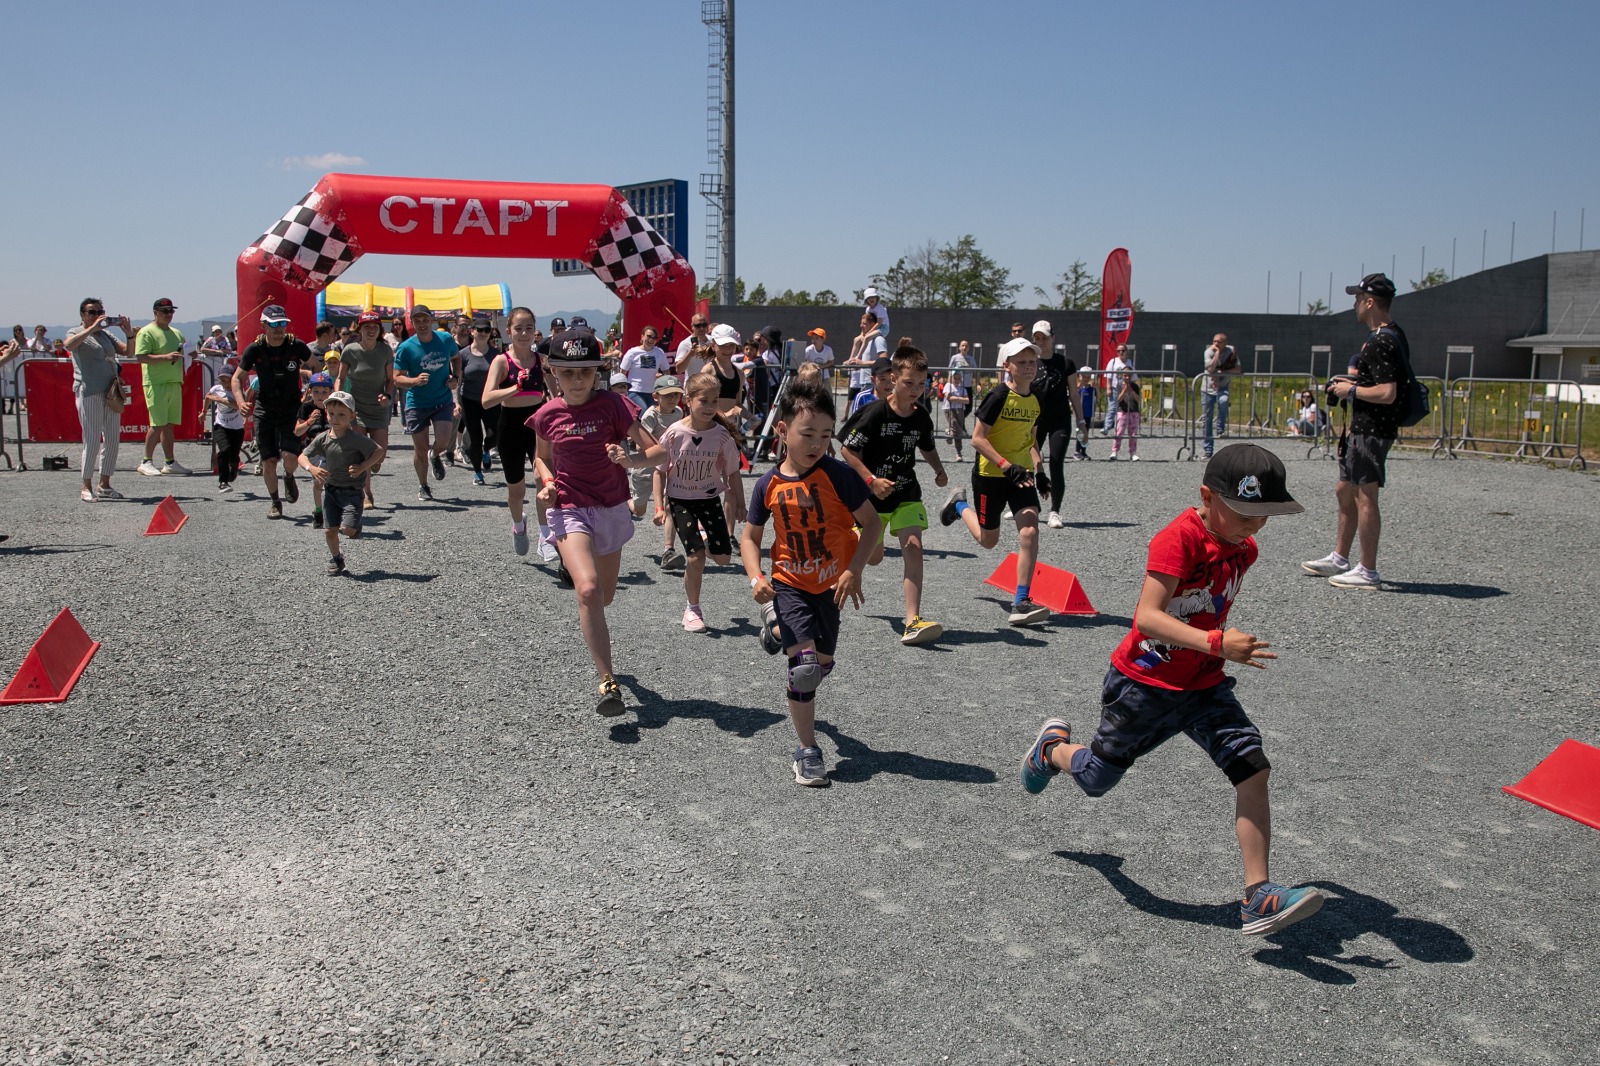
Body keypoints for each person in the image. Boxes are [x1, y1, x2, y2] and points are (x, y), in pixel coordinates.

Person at [1019, 443, 1324, 937]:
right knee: (1095, 779)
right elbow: (1148, 617)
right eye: (1244, 511)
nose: (1254, 525)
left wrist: (1213, 648)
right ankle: (1052, 749)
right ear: (1206, 496)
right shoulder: (1175, 540)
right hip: (1144, 684)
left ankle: (1258, 896)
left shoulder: (1244, 549)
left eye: (1264, 515)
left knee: (1253, 770)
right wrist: (1216, 641)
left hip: (1204, 685)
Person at [741, 378, 882, 786]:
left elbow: (872, 525)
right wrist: (756, 577)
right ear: (782, 431)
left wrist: (853, 569)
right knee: (803, 671)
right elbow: (749, 538)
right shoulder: (767, 484)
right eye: (808, 434)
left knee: (820, 666)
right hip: (789, 582)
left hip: (830, 587)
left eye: (825, 434)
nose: (817, 442)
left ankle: (776, 630)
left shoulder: (839, 475)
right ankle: (807, 750)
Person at [534, 325, 661, 716]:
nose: (576, 380)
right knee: (587, 590)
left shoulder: (614, 406)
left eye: (585, 372)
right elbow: (542, 458)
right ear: (553, 371)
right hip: (569, 506)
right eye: (568, 372)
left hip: (610, 508)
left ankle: (592, 607)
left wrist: (630, 460)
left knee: (604, 597)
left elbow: (657, 453)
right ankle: (608, 681)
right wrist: (548, 482)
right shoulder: (547, 414)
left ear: (598, 372)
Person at [840, 344, 950, 646]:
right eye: (908, 383)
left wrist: (939, 470)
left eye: (921, 384)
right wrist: (871, 479)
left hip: (906, 493)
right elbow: (847, 449)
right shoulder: (875, 413)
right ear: (893, 377)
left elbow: (926, 445)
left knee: (913, 546)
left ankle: (912, 620)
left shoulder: (922, 416)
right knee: (873, 558)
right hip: (872, 498)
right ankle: (853, 534)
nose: (915, 389)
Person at [1302, 273, 1406, 591]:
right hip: (1362, 428)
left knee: (1365, 496)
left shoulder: (1382, 340)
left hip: (1372, 429)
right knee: (1343, 490)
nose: (1355, 304)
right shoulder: (1386, 336)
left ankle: (1368, 570)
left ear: (1370, 301)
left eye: (1358, 298)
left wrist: (1350, 390)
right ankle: (1340, 557)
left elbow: (1387, 392)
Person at [939, 335, 1051, 627]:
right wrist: (1005, 465)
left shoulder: (1037, 397)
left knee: (1029, 533)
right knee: (989, 541)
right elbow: (977, 438)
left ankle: (1021, 601)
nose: (1029, 367)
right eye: (1022, 362)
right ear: (1007, 365)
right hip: (991, 476)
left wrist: (1039, 471)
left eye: (1032, 361)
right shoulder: (998, 396)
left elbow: (1031, 439)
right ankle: (960, 504)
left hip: (1021, 476)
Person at [622, 372, 744, 632]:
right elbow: (658, 467)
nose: (710, 407)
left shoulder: (721, 436)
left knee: (723, 559)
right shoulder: (674, 433)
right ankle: (692, 609)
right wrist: (657, 504)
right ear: (688, 401)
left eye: (714, 401)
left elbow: (733, 472)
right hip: (681, 501)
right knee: (695, 557)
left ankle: (710, 544)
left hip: (710, 500)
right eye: (704, 401)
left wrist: (741, 504)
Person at [481, 306, 555, 560]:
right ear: (508, 331)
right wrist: (515, 388)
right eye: (518, 328)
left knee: (542, 479)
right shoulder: (502, 361)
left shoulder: (540, 361)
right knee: (517, 490)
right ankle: (519, 525)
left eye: (529, 328)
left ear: (535, 331)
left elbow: (557, 394)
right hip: (510, 426)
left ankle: (545, 536)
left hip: (536, 426)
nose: (524, 333)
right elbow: (487, 399)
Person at [233, 304, 312, 518]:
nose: (279, 329)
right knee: (268, 461)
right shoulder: (255, 349)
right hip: (265, 409)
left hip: (291, 407)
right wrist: (241, 401)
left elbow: (315, 366)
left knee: (289, 457)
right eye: (274, 325)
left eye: (283, 324)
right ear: (263, 326)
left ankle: (288, 475)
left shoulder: (296, 346)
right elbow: (236, 378)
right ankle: (275, 502)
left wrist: (313, 389)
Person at [298, 390, 384, 577]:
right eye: (331, 413)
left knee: (347, 530)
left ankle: (355, 528)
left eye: (342, 414)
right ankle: (337, 559)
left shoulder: (356, 439)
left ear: (352, 416)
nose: (335, 418)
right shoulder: (323, 438)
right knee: (329, 531)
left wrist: (363, 466)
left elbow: (378, 452)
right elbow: (303, 456)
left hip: (352, 492)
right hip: (331, 491)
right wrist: (311, 469)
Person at [62, 299, 133, 501]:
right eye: (92, 312)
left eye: (100, 312)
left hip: (110, 391)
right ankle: (86, 484)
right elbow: (69, 346)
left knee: (112, 439)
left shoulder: (105, 335)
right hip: (89, 390)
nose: (97, 315)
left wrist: (128, 333)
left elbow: (128, 351)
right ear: (82, 314)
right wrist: (91, 328)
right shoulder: (75, 332)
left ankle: (105, 483)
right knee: (92, 440)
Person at [392, 305, 459, 502]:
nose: (422, 324)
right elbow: (396, 378)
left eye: (425, 320)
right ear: (412, 323)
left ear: (432, 320)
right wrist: (413, 381)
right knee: (419, 448)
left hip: (442, 399)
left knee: (444, 441)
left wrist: (455, 377)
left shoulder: (445, 339)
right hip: (417, 403)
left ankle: (435, 454)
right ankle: (423, 485)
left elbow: (456, 358)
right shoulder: (405, 348)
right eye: (417, 321)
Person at [334, 310, 395, 507]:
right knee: (363, 453)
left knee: (379, 455)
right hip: (356, 409)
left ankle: (374, 465)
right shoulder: (350, 350)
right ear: (359, 329)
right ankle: (365, 493)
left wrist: (386, 395)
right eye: (367, 327)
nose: (371, 330)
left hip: (378, 408)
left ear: (380, 330)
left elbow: (390, 379)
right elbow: (340, 378)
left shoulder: (385, 351)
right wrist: (339, 398)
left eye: (375, 327)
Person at [1029, 320, 1078, 528]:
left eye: (1045, 337)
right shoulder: (1029, 362)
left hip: (1060, 419)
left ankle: (1055, 511)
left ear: (1053, 338)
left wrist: (1082, 421)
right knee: (1027, 463)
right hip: (1035, 420)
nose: (1041, 341)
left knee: (1056, 462)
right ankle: (1028, 505)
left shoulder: (1066, 363)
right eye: (1037, 338)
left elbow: (1074, 394)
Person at [134, 297, 190, 476]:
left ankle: (169, 462)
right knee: (157, 424)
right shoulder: (146, 332)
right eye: (165, 311)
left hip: (174, 382)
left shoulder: (176, 332)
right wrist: (165, 357)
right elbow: (141, 357)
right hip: (156, 383)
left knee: (169, 425)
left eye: (171, 311)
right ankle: (146, 461)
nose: (169, 315)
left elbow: (186, 349)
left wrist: (192, 352)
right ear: (155, 312)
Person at [639, 375, 688, 569]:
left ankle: (668, 550)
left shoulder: (679, 412)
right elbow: (641, 442)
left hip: (669, 465)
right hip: (646, 466)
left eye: (676, 394)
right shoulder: (650, 415)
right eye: (667, 395)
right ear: (656, 396)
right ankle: (628, 506)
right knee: (638, 508)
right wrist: (663, 447)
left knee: (670, 506)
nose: (672, 398)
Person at [456, 317, 498, 485]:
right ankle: (478, 473)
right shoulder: (463, 354)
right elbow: (456, 380)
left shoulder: (496, 354)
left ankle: (487, 450)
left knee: (493, 435)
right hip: (469, 400)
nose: (482, 333)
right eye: (479, 330)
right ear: (472, 331)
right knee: (475, 438)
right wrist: (456, 402)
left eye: (486, 330)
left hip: (490, 400)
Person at [295, 372, 334, 527]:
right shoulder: (306, 407)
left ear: (330, 392)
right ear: (310, 392)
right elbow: (297, 431)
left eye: (324, 392)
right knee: (319, 480)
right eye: (316, 391)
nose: (320, 395)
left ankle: (330, 510)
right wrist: (309, 422)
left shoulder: (333, 407)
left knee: (332, 481)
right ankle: (318, 510)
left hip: (332, 449)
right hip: (314, 450)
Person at [1200, 333, 1241, 458]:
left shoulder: (1231, 351)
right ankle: (1208, 449)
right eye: (1214, 341)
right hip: (1207, 389)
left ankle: (1220, 428)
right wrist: (1216, 354)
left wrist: (1223, 371)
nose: (1216, 344)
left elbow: (1238, 369)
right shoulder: (1208, 352)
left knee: (1223, 401)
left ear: (1225, 342)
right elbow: (1210, 369)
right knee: (1207, 419)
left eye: (1219, 342)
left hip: (1222, 387)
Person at [203, 366, 245, 492]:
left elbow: (238, 406)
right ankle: (223, 482)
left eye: (227, 380)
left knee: (233, 456)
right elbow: (208, 397)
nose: (224, 383)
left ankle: (234, 466)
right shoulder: (216, 389)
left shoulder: (237, 392)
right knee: (224, 450)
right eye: (222, 380)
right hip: (221, 425)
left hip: (237, 428)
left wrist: (220, 400)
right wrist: (204, 411)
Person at [619, 325, 668, 413]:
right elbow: (622, 373)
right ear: (642, 336)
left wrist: (662, 377)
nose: (651, 340)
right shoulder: (632, 352)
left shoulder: (659, 352)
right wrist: (621, 390)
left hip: (652, 392)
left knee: (654, 414)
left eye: (654, 338)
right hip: (635, 390)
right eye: (649, 336)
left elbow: (666, 371)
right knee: (644, 411)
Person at [844, 312, 886, 406]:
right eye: (861, 323)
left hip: (873, 384)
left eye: (864, 324)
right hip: (864, 382)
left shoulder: (878, 339)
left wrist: (862, 362)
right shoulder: (866, 341)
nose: (861, 326)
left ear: (872, 325)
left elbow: (883, 360)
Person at [1101, 343, 1133, 436]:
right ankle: (1106, 427)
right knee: (1112, 408)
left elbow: (1134, 376)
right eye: (1118, 351)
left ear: (1126, 351)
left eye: (1123, 350)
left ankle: (1126, 427)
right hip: (1114, 388)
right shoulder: (1113, 361)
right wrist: (1108, 388)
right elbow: (1108, 376)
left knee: (1127, 408)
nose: (1121, 352)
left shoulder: (1130, 362)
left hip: (1126, 388)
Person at [1110, 374, 1141, 461]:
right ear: (1122, 376)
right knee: (1119, 432)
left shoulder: (1135, 386)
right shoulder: (1119, 385)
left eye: (1129, 376)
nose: (1127, 377)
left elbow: (1138, 399)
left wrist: (1131, 391)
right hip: (1122, 411)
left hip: (1133, 411)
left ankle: (1132, 453)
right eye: (1125, 375)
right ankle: (1114, 452)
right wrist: (1124, 391)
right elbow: (1118, 399)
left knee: (1133, 434)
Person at [941, 370, 969, 462]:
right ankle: (951, 433)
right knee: (957, 429)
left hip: (960, 410)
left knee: (957, 430)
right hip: (949, 409)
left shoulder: (963, 389)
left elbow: (967, 400)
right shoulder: (948, 386)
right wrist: (961, 399)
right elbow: (949, 398)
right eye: (955, 378)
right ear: (951, 378)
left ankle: (958, 451)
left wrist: (956, 399)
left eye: (958, 378)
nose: (957, 380)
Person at [1074, 369, 1096, 461]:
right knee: (1080, 432)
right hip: (1080, 414)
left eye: (1088, 377)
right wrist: (1080, 385)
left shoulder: (1091, 389)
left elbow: (1098, 396)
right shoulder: (1079, 388)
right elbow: (1074, 393)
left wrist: (1096, 387)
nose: (1086, 379)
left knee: (1086, 432)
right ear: (1079, 377)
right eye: (1084, 376)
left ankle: (1083, 450)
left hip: (1088, 413)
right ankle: (1077, 451)